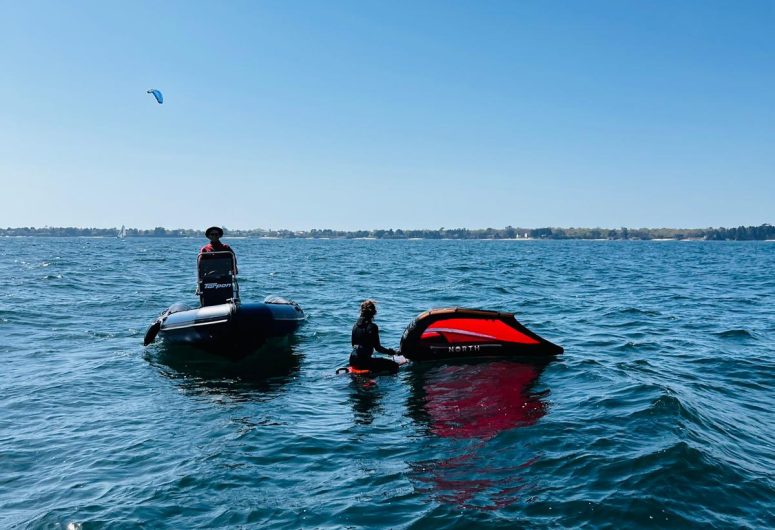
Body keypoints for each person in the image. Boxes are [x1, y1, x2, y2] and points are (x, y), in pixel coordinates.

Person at [350, 300, 400, 374]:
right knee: (394, 366)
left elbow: (353, 345)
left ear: (361, 311)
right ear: (374, 313)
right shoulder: (372, 327)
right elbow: (378, 348)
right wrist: (393, 352)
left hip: (352, 360)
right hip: (364, 362)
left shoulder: (355, 326)